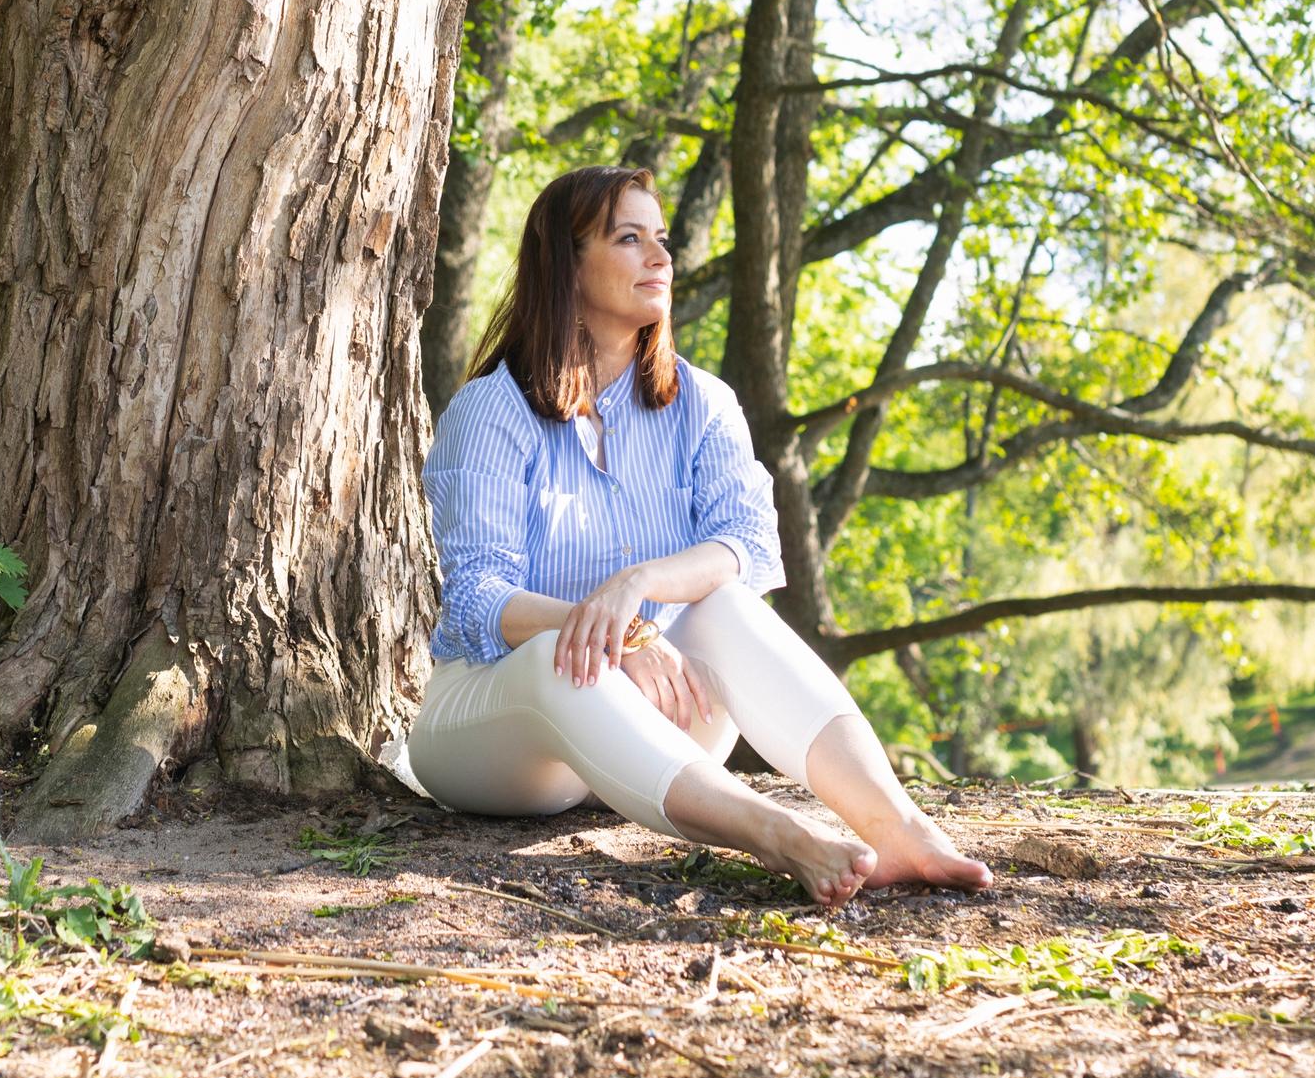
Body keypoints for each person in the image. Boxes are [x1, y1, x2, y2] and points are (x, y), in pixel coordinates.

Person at [407, 165, 991, 907]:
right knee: (562, 655)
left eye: (662, 239)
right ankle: (776, 833)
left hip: (657, 722)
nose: (660, 257)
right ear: (566, 263)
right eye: (629, 238)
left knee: (727, 602)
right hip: (500, 740)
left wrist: (639, 589)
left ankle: (897, 827)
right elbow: (476, 599)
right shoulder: (492, 410)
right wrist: (616, 634)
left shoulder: (702, 403)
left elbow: (746, 544)